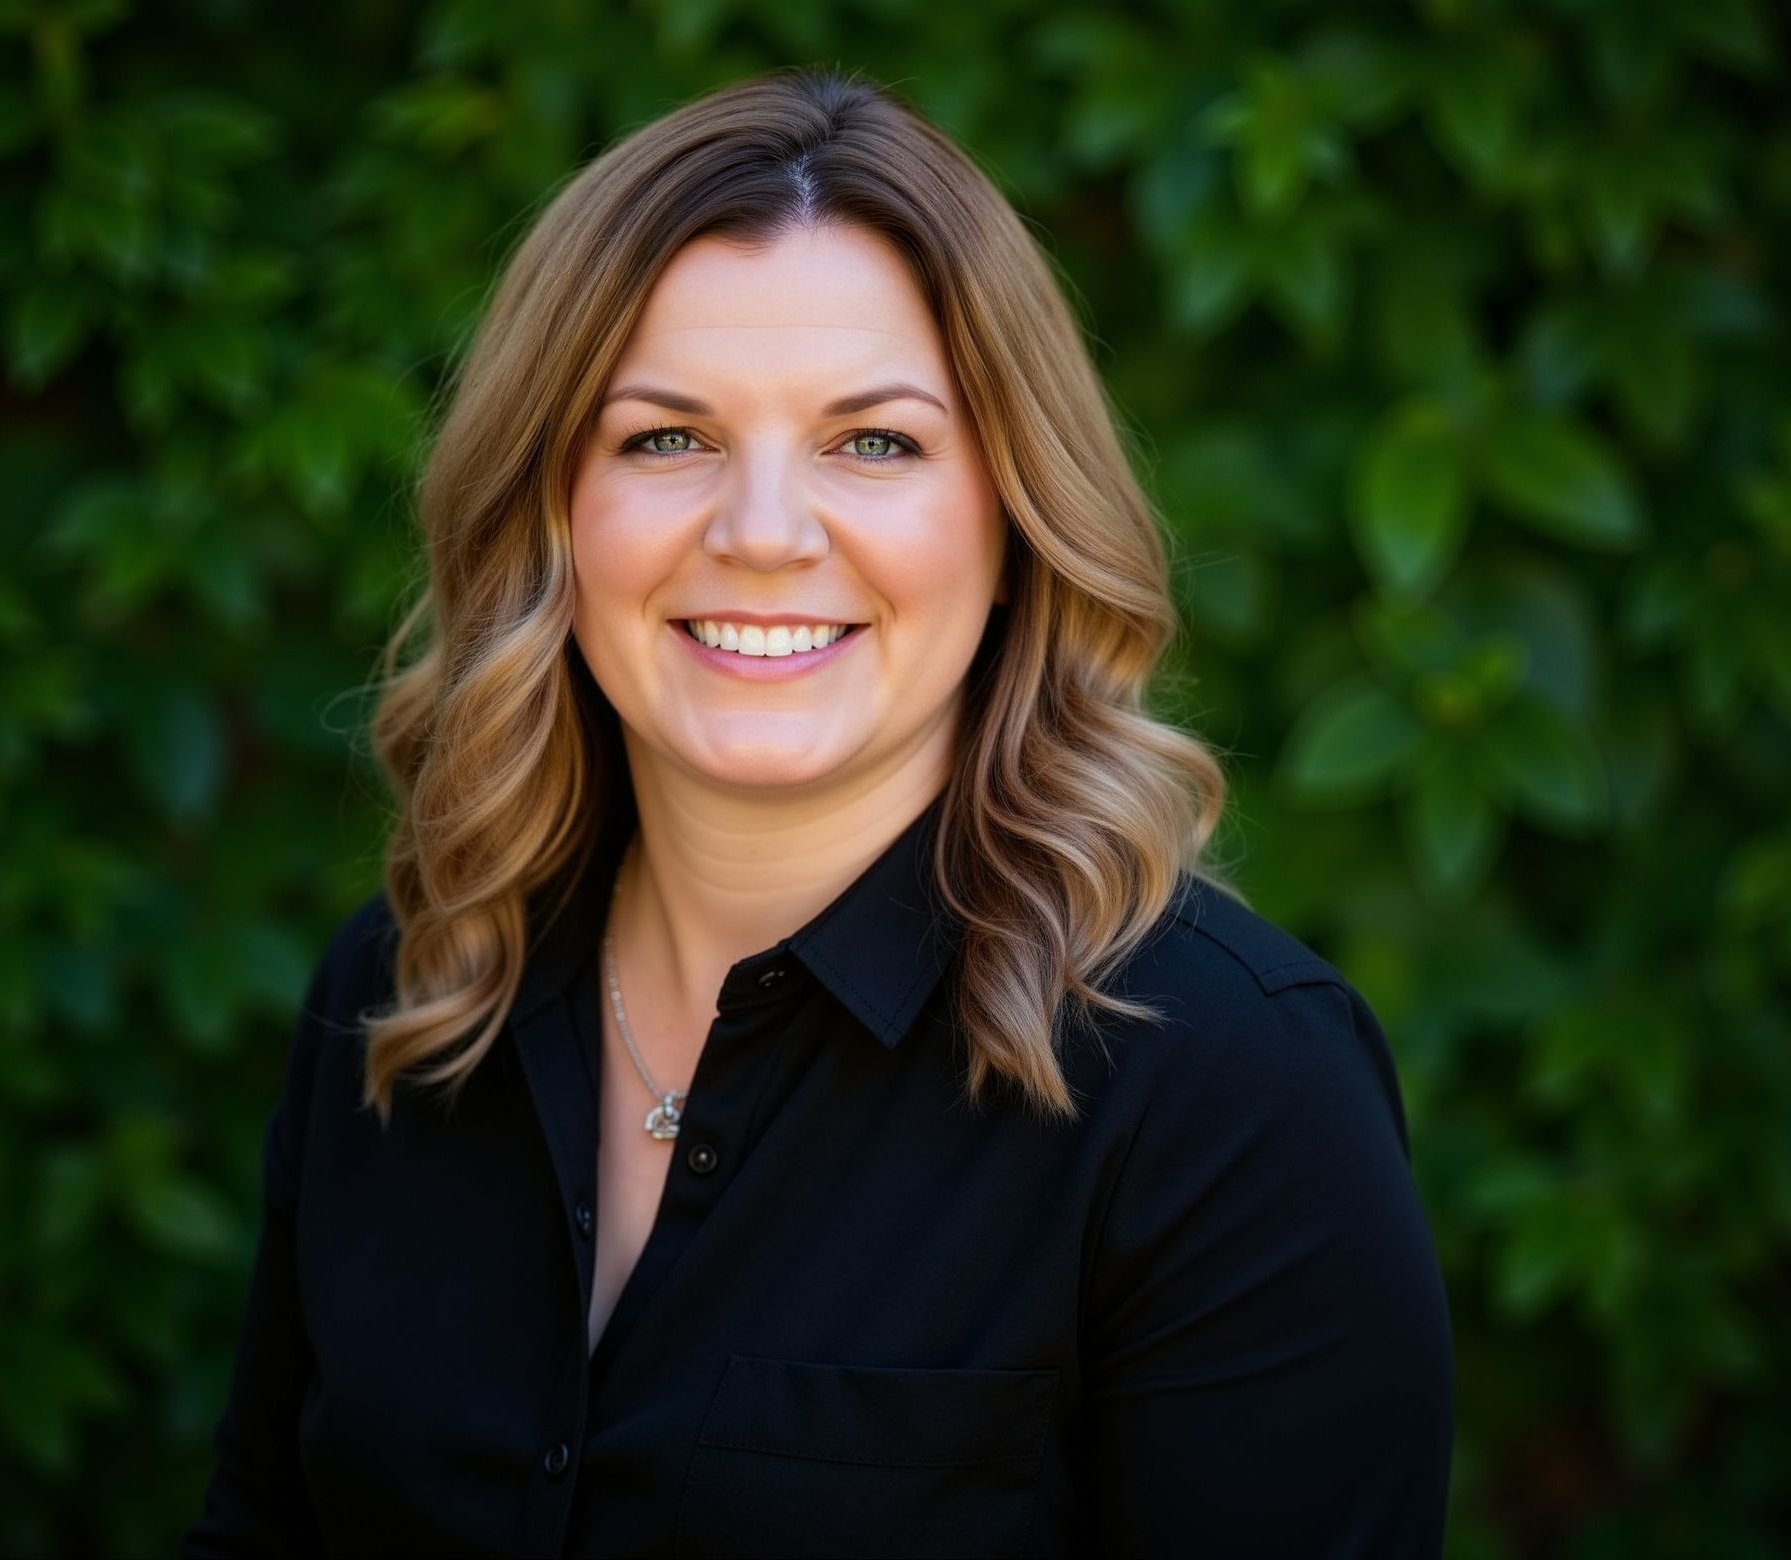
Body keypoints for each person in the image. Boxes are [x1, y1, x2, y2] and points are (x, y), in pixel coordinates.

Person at [182, 64, 1454, 1559]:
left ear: (1013, 515)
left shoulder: (1229, 1095)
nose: (766, 535)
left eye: (876, 442)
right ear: (547, 509)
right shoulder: (405, 994)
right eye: (666, 437)